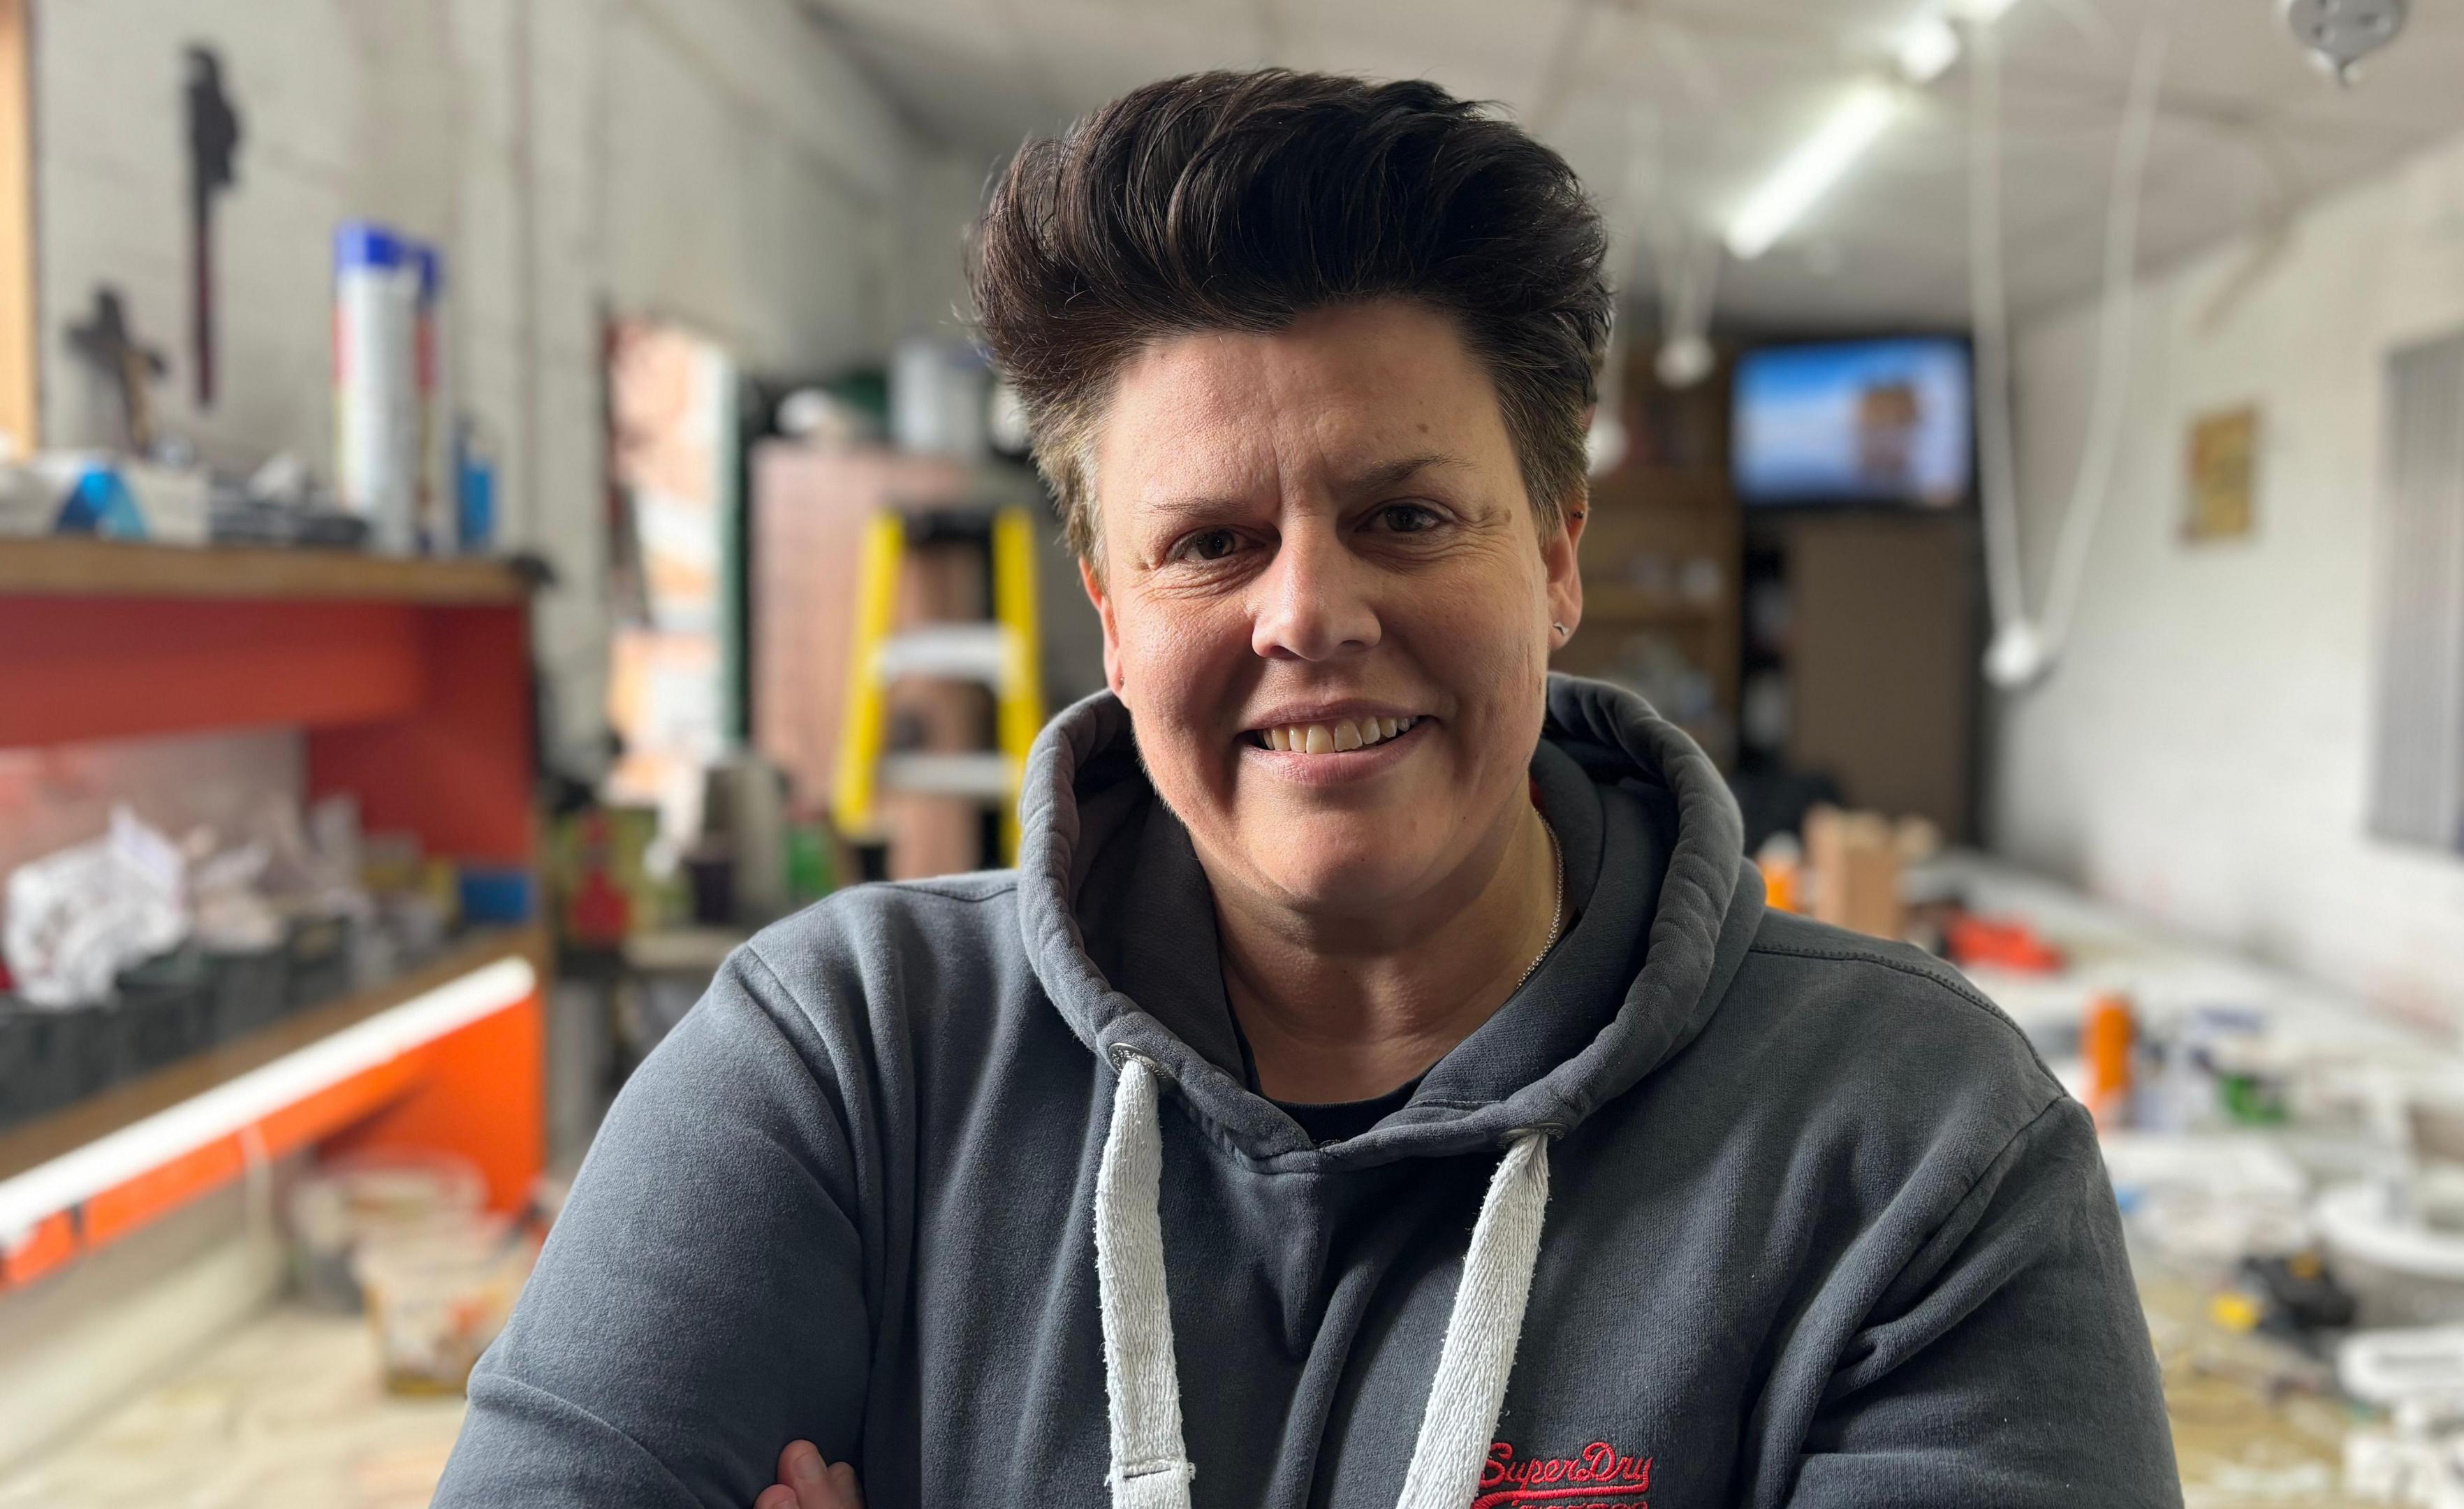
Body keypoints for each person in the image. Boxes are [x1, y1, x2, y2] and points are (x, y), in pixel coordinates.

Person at [433, 69, 2178, 1509]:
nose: (1310, 615)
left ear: (1557, 556)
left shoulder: (1919, 1152)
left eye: (1407, 516)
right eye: (1210, 544)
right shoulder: (842, 1067)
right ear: (1111, 612)